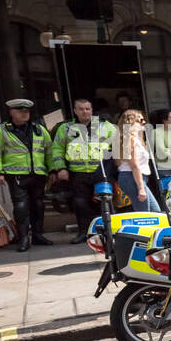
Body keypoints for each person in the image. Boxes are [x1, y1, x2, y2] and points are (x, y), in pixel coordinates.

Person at [0, 98, 56, 252]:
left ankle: (38, 235)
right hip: (16, 175)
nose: (25, 114)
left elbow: (49, 152)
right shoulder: (1, 130)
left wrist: (52, 170)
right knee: (21, 207)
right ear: (12, 112)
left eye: (27, 111)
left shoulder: (39, 129)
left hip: (38, 174)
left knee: (38, 205)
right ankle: (24, 238)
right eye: (21, 111)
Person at [49, 98, 118, 243]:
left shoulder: (105, 126)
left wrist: (117, 167)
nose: (84, 111)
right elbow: (57, 149)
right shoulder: (66, 128)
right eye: (81, 109)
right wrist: (61, 168)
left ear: (92, 110)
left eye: (87, 108)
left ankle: (109, 233)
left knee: (104, 202)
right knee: (80, 204)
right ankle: (84, 233)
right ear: (75, 111)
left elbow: (118, 146)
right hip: (77, 172)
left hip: (102, 171)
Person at [114, 108, 159, 213]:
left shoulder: (131, 139)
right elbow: (135, 166)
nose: (144, 122)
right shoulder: (131, 140)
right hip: (132, 177)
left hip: (132, 177)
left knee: (155, 212)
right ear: (131, 122)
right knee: (145, 213)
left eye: (144, 120)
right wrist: (141, 188)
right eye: (140, 120)